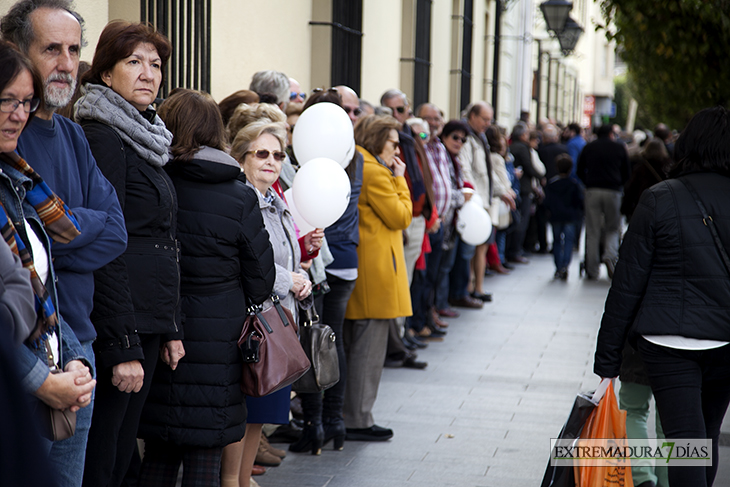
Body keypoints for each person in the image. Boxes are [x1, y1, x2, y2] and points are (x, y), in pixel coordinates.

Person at [2, 3, 128, 484]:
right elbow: (29, 253)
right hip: (22, 351)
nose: (66, 62)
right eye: (51, 48)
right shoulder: (11, 141)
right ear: (17, 50)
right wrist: (62, 236)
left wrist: (57, 236)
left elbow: (115, 232)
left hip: (77, 348)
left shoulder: (74, 135)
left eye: (74, 49)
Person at [135, 89, 275, 487]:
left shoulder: (156, 185)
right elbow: (261, 280)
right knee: (204, 458)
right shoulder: (239, 196)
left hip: (162, 330)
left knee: (159, 453)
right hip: (220, 340)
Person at [594, 106, 730, 487]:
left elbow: (627, 282)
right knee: (705, 436)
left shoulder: (659, 198)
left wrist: (607, 359)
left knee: (685, 441)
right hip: (725, 338)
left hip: (668, 340)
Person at [71, 21, 182, 487]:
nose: (147, 73)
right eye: (133, 62)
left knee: (122, 452)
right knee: (106, 457)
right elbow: (110, 244)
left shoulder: (150, 136)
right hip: (122, 321)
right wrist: (123, 346)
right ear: (106, 73)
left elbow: (165, 237)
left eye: (155, 64)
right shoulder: (102, 135)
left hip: (150, 316)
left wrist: (170, 326)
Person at [0, 38, 95, 467]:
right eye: (6, 101)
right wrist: (41, 381)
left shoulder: (20, 182)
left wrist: (73, 362)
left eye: (26, 102)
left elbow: (44, 289)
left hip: (57, 384)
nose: (19, 115)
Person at [229, 121, 318, 486]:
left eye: (278, 154)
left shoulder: (276, 200)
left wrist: (304, 262)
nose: (271, 161)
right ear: (242, 157)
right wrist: (289, 279)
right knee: (246, 408)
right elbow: (245, 259)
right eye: (261, 153)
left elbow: (285, 256)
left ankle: (244, 476)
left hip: (280, 319)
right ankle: (231, 478)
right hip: (253, 321)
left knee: (261, 411)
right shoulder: (240, 198)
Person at [288, 87, 364, 455]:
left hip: (318, 261)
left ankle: (315, 424)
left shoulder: (302, 156)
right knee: (332, 340)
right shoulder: (355, 157)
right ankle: (334, 421)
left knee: (312, 340)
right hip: (345, 259)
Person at [344, 114, 412, 442]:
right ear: (377, 139)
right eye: (393, 143)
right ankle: (358, 418)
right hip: (376, 272)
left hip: (370, 269)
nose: (397, 151)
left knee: (361, 349)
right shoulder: (375, 170)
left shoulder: (362, 163)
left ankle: (357, 414)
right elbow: (401, 216)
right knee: (367, 352)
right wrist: (400, 179)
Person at [453, 101, 494, 306]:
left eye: (490, 120)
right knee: (468, 250)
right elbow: (466, 169)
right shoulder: (467, 137)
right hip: (474, 202)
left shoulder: (481, 137)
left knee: (480, 246)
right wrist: (473, 198)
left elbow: (487, 172)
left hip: (483, 201)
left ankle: (475, 288)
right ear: (473, 116)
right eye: (485, 119)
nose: (488, 123)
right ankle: (466, 290)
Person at [576, 124, 630, 279]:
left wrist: (588, 182)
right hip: (613, 191)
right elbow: (627, 171)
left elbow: (579, 169)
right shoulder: (619, 148)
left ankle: (592, 269)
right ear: (611, 134)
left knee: (592, 230)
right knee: (613, 228)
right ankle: (610, 255)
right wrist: (619, 184)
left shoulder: (589, 147)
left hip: (592, 190)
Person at [543, 154, 583, 280]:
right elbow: (578, 201)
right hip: (570, 216)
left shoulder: (551, 184)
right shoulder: (573, 184)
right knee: (568, 242)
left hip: (556, 216)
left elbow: (547, 201)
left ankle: (558, 266)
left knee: (556, 241)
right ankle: (565, 265)